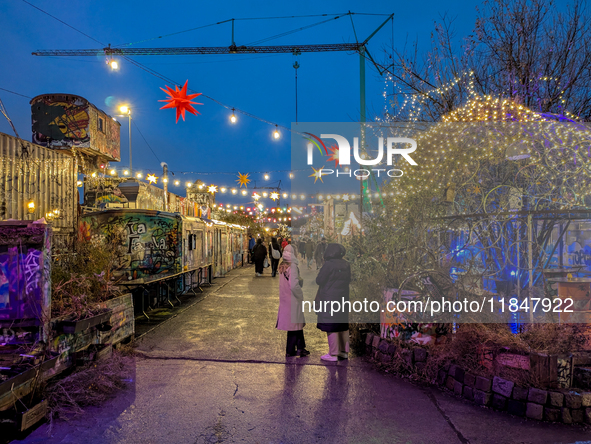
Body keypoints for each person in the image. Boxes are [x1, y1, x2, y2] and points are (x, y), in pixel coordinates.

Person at [315, 243, 351, 362]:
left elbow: (319, 280)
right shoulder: (346, 264)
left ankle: (333, 353)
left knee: (331, 325)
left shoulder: (328, 265)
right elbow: (349, 280)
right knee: (342, 325)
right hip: (343, 298)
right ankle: (344, 352)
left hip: (329, 299)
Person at [276, 245, 309, 357]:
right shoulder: (292, 266)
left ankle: (301, 348)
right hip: (292, 299)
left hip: (285, 298)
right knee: (294, 325)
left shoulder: (283, 265)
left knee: (296, 324)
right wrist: (300, 295)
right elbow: (294, 285)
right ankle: (290, 350)